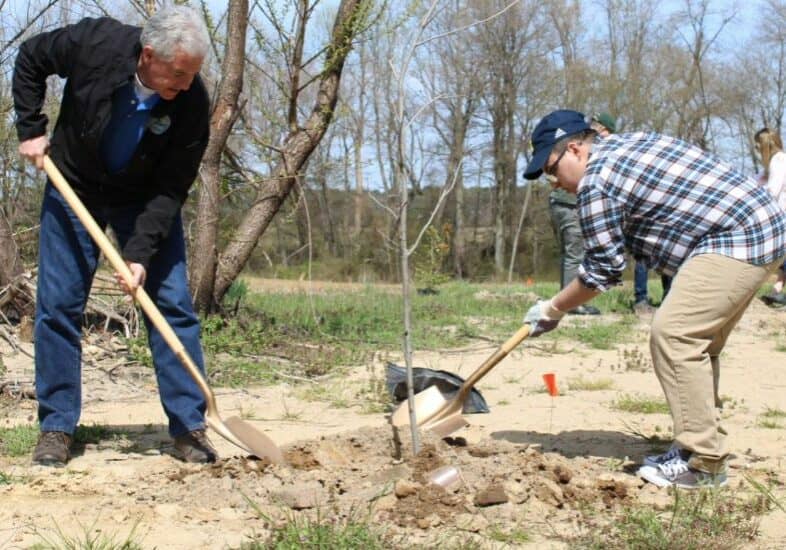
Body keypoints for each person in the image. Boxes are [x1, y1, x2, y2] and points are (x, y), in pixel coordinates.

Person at [522, 110, 786, 489]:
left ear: (576, 150)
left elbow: (601, 272)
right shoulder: (628, 142)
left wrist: (552, 308)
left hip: (739, 237)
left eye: (551, 169)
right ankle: (697, 443)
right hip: (765, 225)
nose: (553, 183)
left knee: (675, 335)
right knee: (699, 340)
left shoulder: (597, 183)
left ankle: (705, 463)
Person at [13, 6, 216, 465]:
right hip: (75, 185)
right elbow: (30, 57)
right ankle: (57, 426)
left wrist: (140, 254)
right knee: (58, 306)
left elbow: (171, 188)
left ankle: (190, 425)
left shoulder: (191, 102)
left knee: (172, 306)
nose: (184, 85)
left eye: (192, 75)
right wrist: (31, 128)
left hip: (143, 199)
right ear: (149, 55)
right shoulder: (95, 44)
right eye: (179, 74)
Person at [754, 127, 786, 307]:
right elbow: (756, 179)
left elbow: (772, 191)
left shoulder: (778, 161)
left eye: (758, 147)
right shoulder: (778, 161)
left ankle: (777, 291)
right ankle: (777, 291)